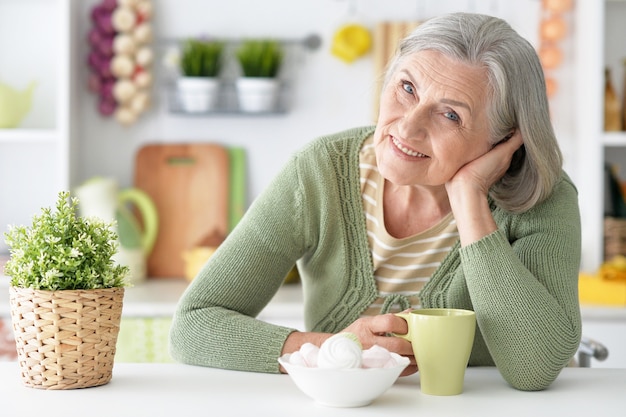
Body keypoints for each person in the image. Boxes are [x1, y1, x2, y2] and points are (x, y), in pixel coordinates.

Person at [169, 12, 581, 392]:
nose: (408, 126)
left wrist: (471, 202)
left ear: (505, 138)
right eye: (407, 88)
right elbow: (193, 325)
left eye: (451, 115)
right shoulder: (319, 171)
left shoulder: (544, 197)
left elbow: (535, 368)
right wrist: (330, 350)